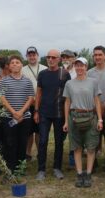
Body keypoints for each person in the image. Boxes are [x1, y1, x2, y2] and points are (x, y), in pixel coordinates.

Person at [63, 57, 103, 188]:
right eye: (77, 65)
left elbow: (96, 100)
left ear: (86, 67)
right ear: (75, 67)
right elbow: (67, 102)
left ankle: (89, 173)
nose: (79, 68)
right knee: (77, 147)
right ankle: (80, 174)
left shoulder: (93, 82)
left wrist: (100, 119)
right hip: (74, 116)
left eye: (82, 65)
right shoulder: (69, 83)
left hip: (90, 116)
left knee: (91, 147)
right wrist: (66, 121)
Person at [34, 49, 71, 180]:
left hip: (59, 113)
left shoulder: (65, 74)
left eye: (53, 57)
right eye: (48, 57)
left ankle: (57, 168)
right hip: (44, 112)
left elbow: (68, 96)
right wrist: (36, 111)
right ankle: (41, 169)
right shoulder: (42, 74)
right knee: (43, 141)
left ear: (59, 59)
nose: (50, 59)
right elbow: (38, 93)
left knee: (59, 142)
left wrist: (68, 116)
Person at [0, 55, 34, 171]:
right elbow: (2, 98)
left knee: (22, 142)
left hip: (24, 118)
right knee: (10, 142)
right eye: (12, 62)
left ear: (21, 65)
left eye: (17, 62)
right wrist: (14, 112)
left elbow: (30, 98)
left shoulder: (27, 81)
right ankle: (11, 168)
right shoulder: (4, 81)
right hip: (9, 117)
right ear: (9, 66)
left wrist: (21, 112)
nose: (14, 64)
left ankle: (20, 169)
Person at [87, 45, 105, 169]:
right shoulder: (89, 73)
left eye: (100, 54)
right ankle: (94, 161)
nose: (97, 57)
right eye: (95, 55)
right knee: (94, 137)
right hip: (93, 111)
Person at [22, 46, 47, 161]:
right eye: (29, 55)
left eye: (34, 54)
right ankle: (27, 153)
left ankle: (40, 152)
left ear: (37, 56)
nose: (32, 57)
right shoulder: (22, 69)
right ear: (26, 56)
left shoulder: (44, 68)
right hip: (27, 105)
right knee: (28, 131)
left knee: (39, 131)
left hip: (41, 104)